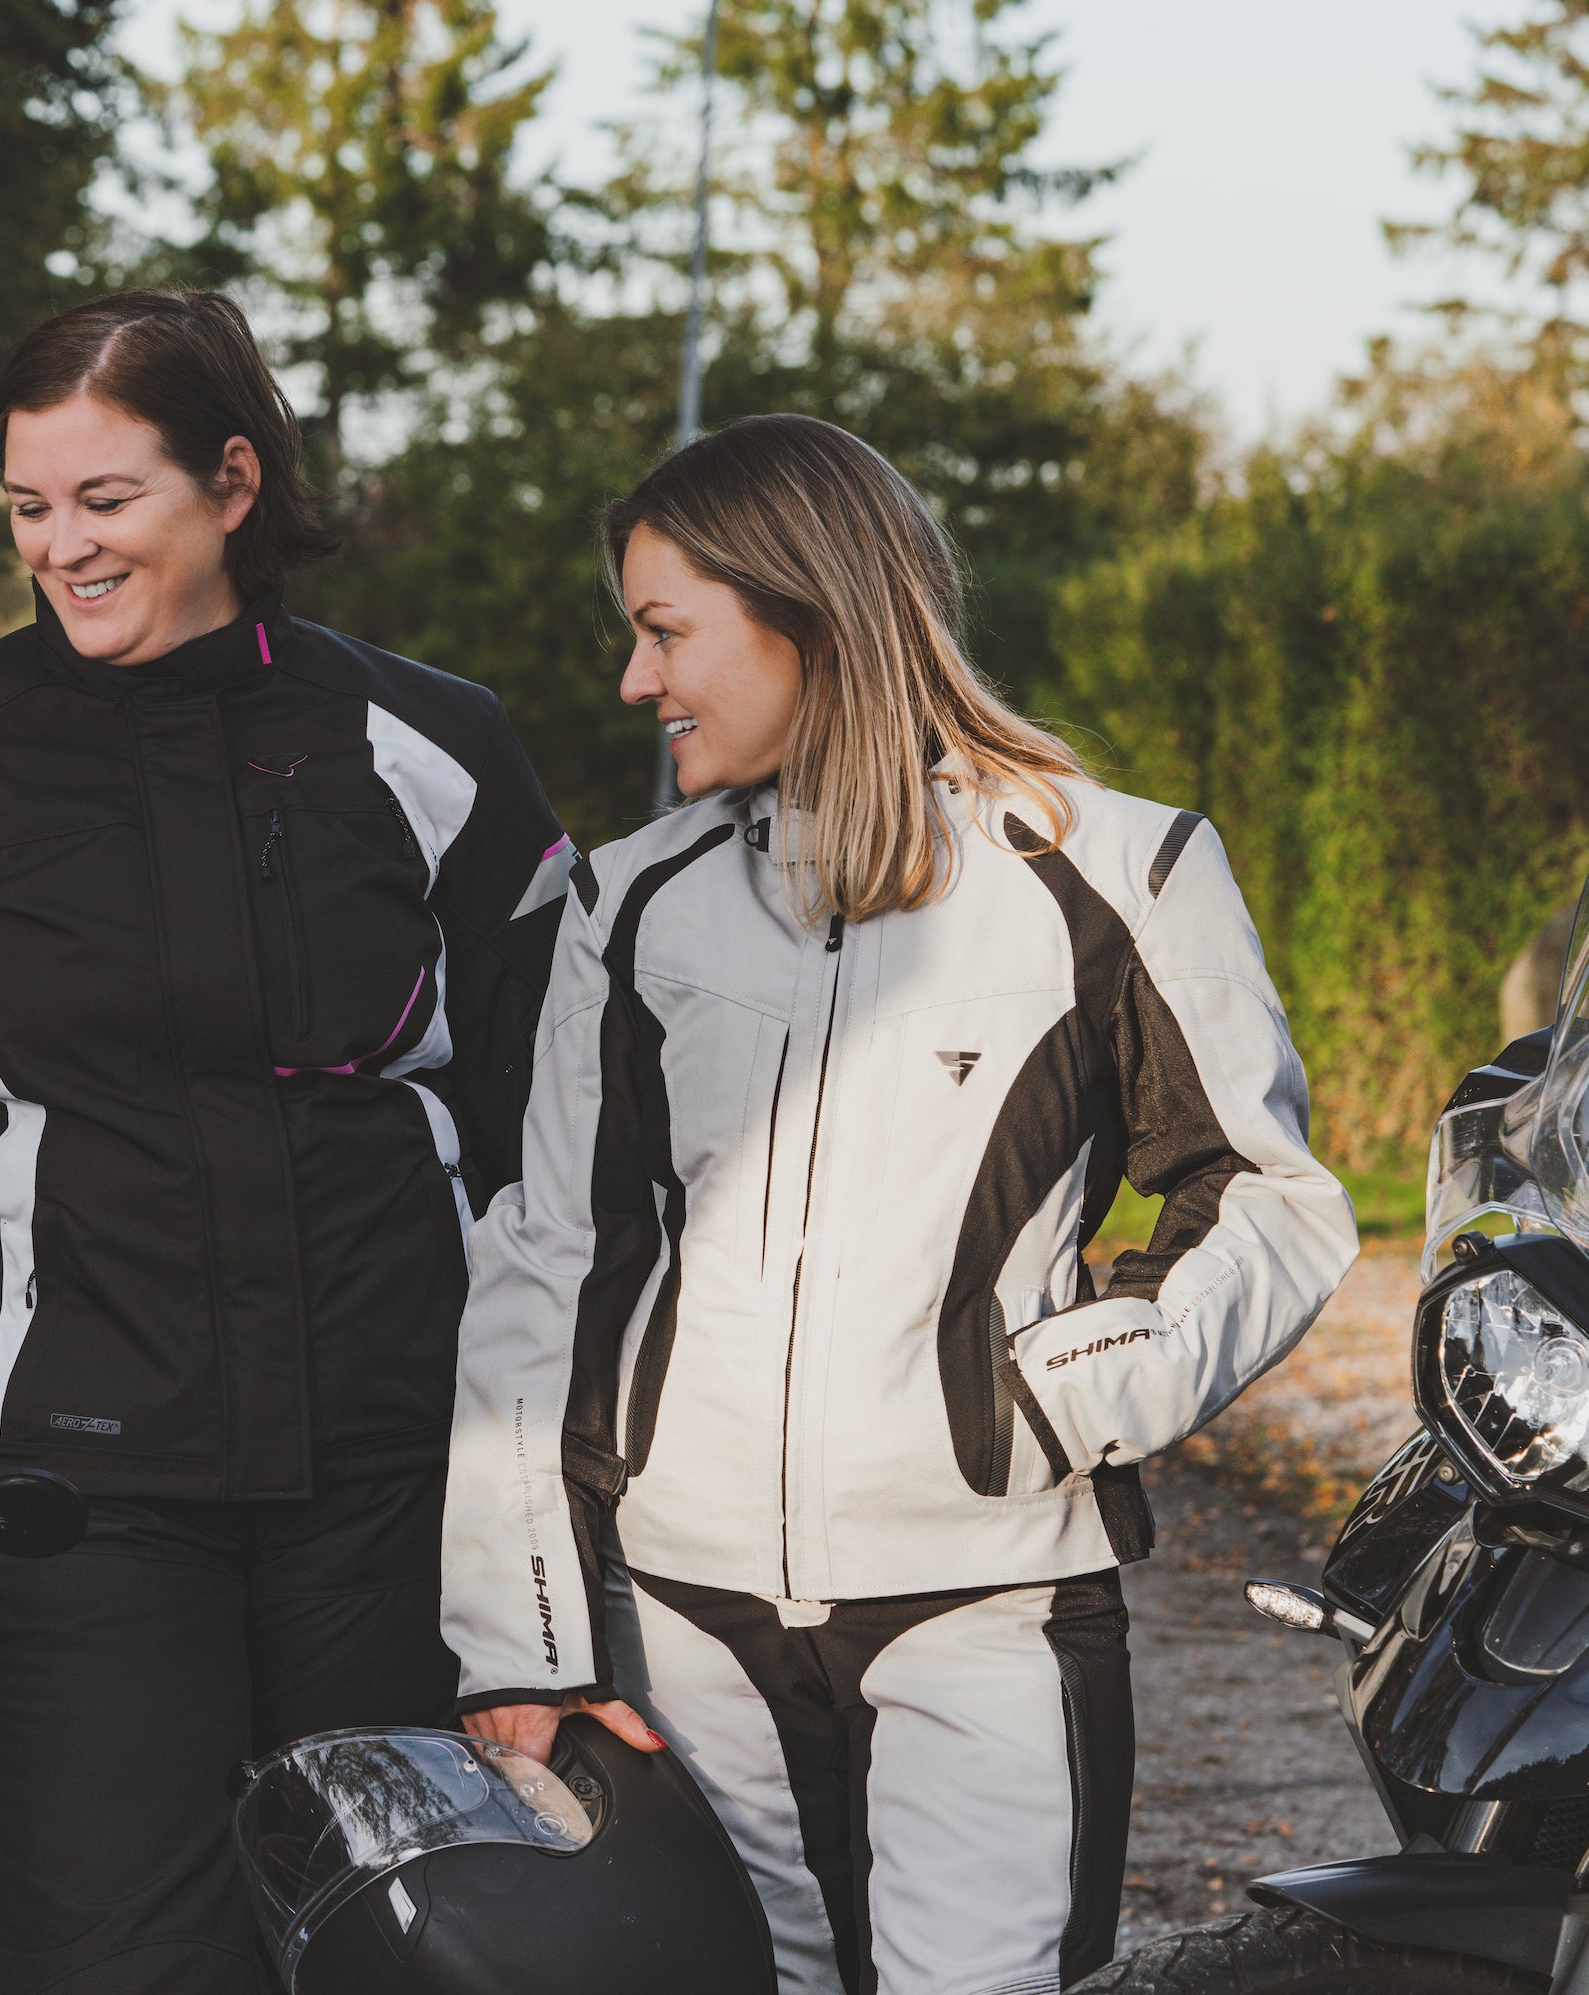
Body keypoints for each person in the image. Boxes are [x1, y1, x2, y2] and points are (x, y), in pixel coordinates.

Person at [0, 289, 575, 1994]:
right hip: (60, 1493)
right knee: (113, 1960)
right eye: (30, 509)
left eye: (106, 503)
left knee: (408, 1955)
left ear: (231, 483)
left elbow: (549, 1119)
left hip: (388, 1488)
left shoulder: (437, 749)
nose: (61, 550)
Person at [441, 413, 1359, 1994]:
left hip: (986, 1601)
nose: (635, 682)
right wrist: (520, 1634)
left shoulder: (1119, 870)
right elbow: (550, 1259)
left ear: (807, 611)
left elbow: (1266, 1195)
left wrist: (1065, 1392)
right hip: (684, 1613)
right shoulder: (631, 896)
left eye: (667, 632)